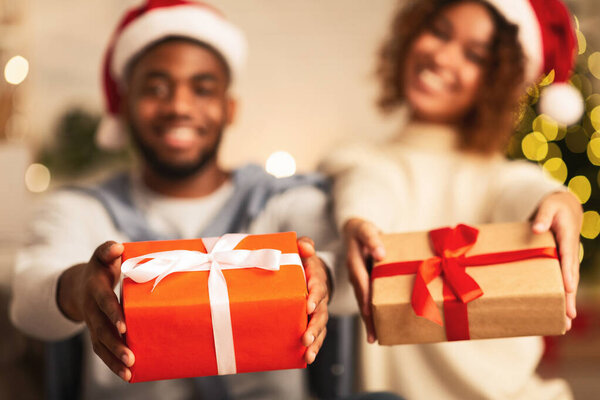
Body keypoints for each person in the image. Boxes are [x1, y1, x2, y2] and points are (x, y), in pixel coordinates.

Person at [10, 1, 335, 399]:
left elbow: (349, 265)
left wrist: (325, 279)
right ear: (125, 106)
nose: (180, 107)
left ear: (230, 109)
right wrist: (78, 288)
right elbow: (27, 299)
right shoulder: (81, 209)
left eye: (203, 89)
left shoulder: (281, 202)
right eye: (156, 89)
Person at [320, 0, 583, 399]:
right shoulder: (358, 160)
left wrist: (559, 200)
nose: (441, 56)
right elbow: (370, 184)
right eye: (439, 32)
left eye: (474, 55)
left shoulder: (496, 178)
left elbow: (521, 189)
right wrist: (359, 220)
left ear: (498, 82)